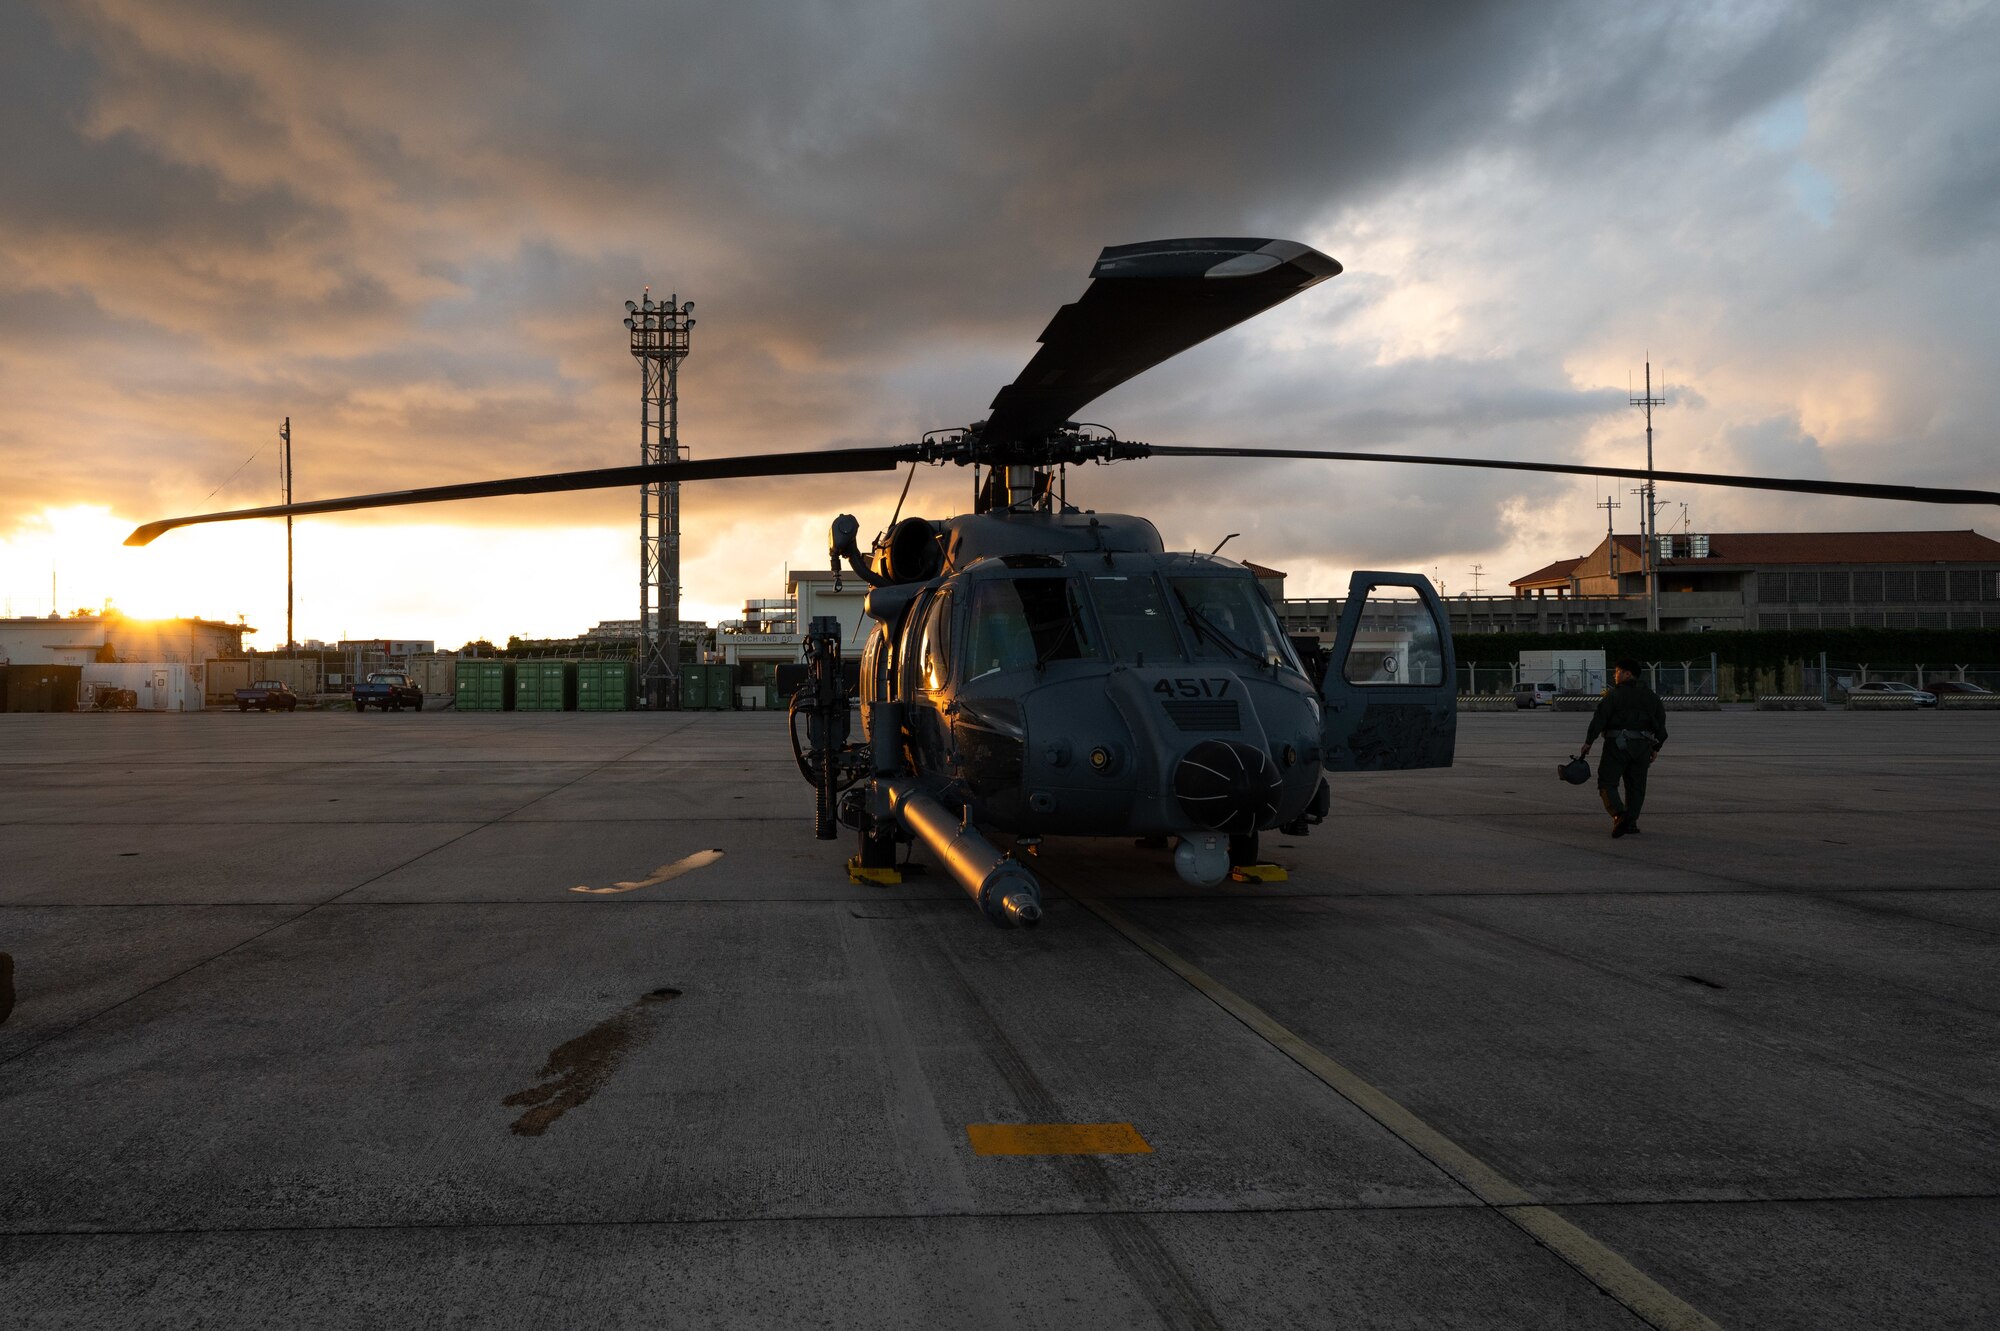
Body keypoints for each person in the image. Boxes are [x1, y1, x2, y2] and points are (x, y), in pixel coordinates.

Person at [1579, 658, 1667, 838]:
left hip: (1617, 745)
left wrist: (1589, 741)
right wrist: (1656, 747)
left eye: (1617, 672)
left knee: (1607, 782)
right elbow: (1661, 725)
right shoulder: (1652, 697)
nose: (1615, 675)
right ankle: (1631, 823)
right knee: (1636, 786)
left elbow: (1600, 718)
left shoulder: (1614, 695)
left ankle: (1619, 814)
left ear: (1627, 674)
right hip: (1643, 746)